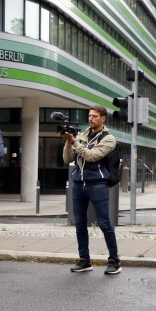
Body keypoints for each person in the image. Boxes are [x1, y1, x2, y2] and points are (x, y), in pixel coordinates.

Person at [61, 105, 121, 275]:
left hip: (97, 184)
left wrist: (74, 142)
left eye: (94, 116)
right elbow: (67, 158)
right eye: (89, 115)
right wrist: (68, 141)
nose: (90, 119)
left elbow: (92, 156)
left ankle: (114, 261)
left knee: (104, 223)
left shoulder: (109, 139)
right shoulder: (82, 135)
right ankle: (84, 260)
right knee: (80, 223)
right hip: (79, 184)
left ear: (103, 118)